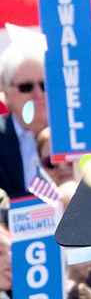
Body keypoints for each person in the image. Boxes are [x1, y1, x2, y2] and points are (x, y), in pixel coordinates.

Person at [0, 45, 47, 199]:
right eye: (26, 87)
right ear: (6, 93)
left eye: (44, 85)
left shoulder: (74, 132)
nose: (38, 93)